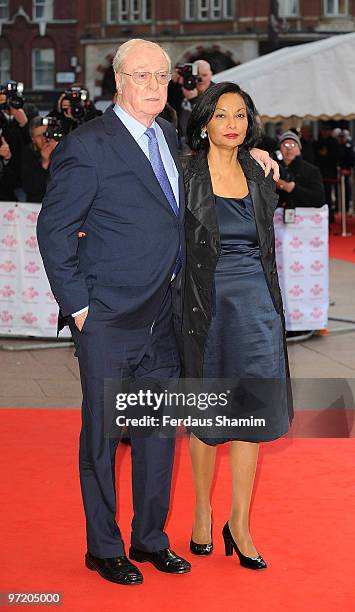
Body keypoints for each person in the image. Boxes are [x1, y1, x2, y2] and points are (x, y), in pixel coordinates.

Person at [37, 38, 279, 586]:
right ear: (119, 81)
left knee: (154, 436)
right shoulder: (88, 145)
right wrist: (78, 308)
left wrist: (256, 153)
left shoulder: (169, 136)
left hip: (167, 315)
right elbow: (53, 232)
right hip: (108, 318)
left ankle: (149, 540)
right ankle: (103, 547)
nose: (153, 85)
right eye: (142, 76)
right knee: (102, 440)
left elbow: (212, 165)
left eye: (161, 76)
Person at [181, 82, 293, 570]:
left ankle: (240, 522)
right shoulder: (185, 174)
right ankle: (203, 511)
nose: (233, 124)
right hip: (206, 308)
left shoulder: (260, 173)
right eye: (222, 114)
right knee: (206, 418)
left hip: (257, 309)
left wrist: (266, 158)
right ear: (204, 121)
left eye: (241, 115)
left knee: (250, 416)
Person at [276, 130, 325, 208]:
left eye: (293, 145)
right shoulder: (273, 168)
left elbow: (319, 199)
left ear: (299, 149)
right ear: (279, 149)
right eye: (285, 145)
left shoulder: (311, 170)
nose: (289, 149)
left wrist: (292, 188)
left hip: (304, 217)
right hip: (276, 217)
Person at [21, 117, 58, 202]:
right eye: (38, 136)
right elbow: (30, 189)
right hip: (37, 204)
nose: (43, 139)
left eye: (45, 134)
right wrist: (45, 162)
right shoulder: (28, 153)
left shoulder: (61, 149)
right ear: (33, 139)